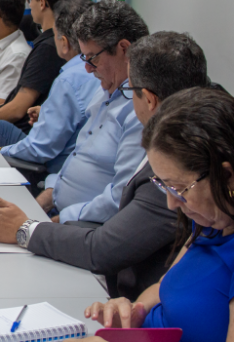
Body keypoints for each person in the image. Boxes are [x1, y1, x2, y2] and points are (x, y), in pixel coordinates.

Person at [0, 32, 209, 301]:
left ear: (149, 99)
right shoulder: (194, 132)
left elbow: (104, 249)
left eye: (129, 91)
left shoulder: (177, 167)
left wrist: (25, 229)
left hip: (119, 284)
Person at [82, 88, 234, 342]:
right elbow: (163, 287)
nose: (171, 203)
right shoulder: (212, 222)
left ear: (227, 176)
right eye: (164, 186)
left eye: (179, 188)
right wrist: (133, 314)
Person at [0, 0, 150, 225]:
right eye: (84, 58)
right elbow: (78, 156)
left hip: (81, 226)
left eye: (92, 58)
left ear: (123, 49)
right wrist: (46, 199)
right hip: (57, 206)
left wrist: (49, 224)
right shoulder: (105, 91)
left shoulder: (141, 111)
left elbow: (119, 199)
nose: (87, 68)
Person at [0, 0, 100, 172]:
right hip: (86, 165)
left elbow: (39, 149)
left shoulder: (69, 80)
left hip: (55, 171)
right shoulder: (102, 71)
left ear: (64, 43)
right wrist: (49, 113)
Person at [0, 0, 76, 138]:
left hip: (23, 135)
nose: (29, 5)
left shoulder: (48, 48)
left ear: (42, 3)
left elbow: (17, 109)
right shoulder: (58, 40)